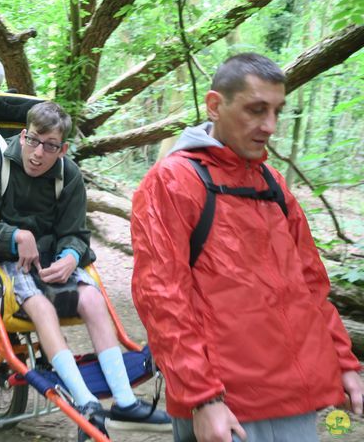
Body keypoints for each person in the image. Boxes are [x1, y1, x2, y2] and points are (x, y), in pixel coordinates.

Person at [130, 53, 363, 442]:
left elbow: (311, 288)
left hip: (295, 398)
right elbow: (161, 296)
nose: (269, 126)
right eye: (256, 110)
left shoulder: (272, 184)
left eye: (276, 111)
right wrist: (202, 399)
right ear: (215, 105)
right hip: (228, 404)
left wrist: (343, 362)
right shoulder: (172, 182)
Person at [0, 101, 172, 440]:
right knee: (41, 307)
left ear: (63, 148)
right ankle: (86, 403)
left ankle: (126, 402)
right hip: (3, 256)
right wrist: (15, 236)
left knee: (93, 300)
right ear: (24, 134)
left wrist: (72, 255)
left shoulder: (68, 174)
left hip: (54, 258)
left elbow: (75, 232)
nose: (38, 153)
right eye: (33, 140)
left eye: (50, 146)